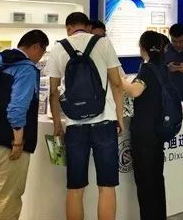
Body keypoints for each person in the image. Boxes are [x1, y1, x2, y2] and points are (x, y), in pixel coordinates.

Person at [46, 12, 124, 220]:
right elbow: (117, 83)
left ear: (68, 28)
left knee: (75, 187)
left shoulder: (58, 48)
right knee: (107, 185)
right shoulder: (103, 43)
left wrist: (57, 125)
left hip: (75, 125)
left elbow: (53, 92)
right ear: (88, 27)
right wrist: (119, 117)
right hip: (105, 122)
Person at [0, 30, 49, 220]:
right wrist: (18, 141)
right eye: (43, 50)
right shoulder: (26, 69)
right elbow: (17, 109)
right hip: (7, 142)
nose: (41, 56)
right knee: (9, 197)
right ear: (35, 47)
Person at [122, 31, 168, 220]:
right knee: (156, 180)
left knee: (146, 183)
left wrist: (117, 77)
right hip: (157, 131)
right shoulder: (162, 67)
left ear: (142, 47)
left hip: (144, 133)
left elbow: (135, 91)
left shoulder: (147, 69)